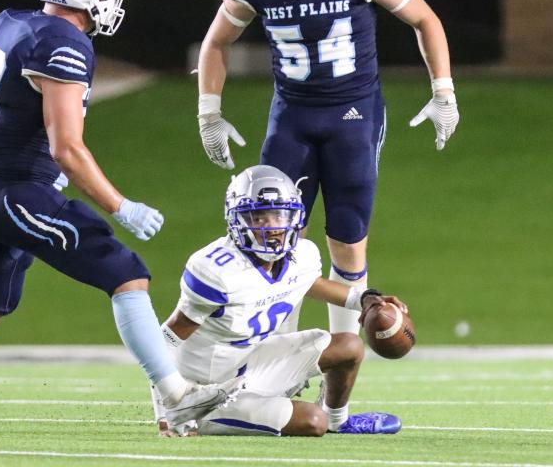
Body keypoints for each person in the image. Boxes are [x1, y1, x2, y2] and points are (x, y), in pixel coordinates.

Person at [0, 0, 232, 436]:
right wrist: (121, 206)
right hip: (16, 193)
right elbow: (67, 149)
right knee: (127, 273)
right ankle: (177, 394)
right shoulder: (63, 43)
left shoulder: (9, 22)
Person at [196, 0, 459, 340]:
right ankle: (275, 363)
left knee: (348, 238)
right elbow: (217, 40)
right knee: (271, 239)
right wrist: (208, 113)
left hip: (353, 113)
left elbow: (425, 20)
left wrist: (444, 92)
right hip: (292, 116)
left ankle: (342, 370)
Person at [152, 165, 407, 437]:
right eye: (259, 217)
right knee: (312, 421)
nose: (272, 226)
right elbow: (163, 340)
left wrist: (366, 299)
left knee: (350, 346)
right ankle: (200, 415)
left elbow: (310, 283)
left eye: (279, 214)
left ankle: (338, 420)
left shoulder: (302, 254)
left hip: (252, 364)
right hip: (206, 389)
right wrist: (168, 409)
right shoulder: (216, 270)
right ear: (237, 219)